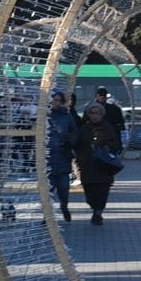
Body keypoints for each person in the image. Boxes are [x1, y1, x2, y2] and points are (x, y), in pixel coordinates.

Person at [74, 101, 123, 224]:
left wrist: (108, 147)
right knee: (90, 193)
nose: (95, 116)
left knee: (102, 192)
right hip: (87, 165)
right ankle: (94, 207)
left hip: (103, 166)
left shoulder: (107, 127)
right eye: (92, 113)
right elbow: (77, 144)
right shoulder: (84, 128)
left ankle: (98, 213)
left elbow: (116, 144)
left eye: (97, 113)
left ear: (102, 114)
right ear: (88, 114)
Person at [46, 90, 81, 221]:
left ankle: (64, 206)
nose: (56, 103)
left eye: (58, 100)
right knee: (47, 190)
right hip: (47, 158)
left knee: (64, 188)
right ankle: (47, 214)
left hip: (63, 156)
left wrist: (70, 141)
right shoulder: (44, 116)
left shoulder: (67, 117)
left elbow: (75, 132)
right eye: (54, 100)